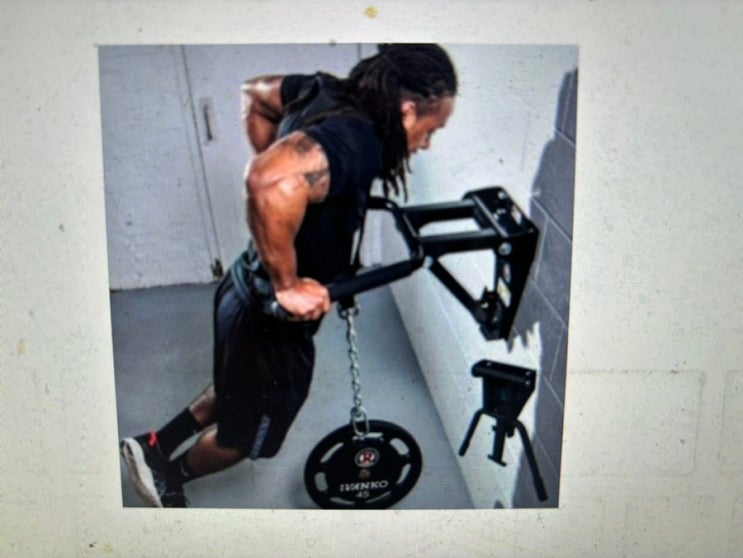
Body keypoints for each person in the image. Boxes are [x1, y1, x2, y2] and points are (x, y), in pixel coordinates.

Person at [120, 44, 458, 507]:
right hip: (272, 321)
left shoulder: (326, 91)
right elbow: (267, 179)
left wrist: (282, 171)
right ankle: (168, 476)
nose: (427, 143)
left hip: (242, 290)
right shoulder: (357, 142)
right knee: (244, 439)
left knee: (236, 389)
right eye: (431, 129)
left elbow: (256, 94)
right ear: (407, 111)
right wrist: (288, 285)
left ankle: (154, 445)